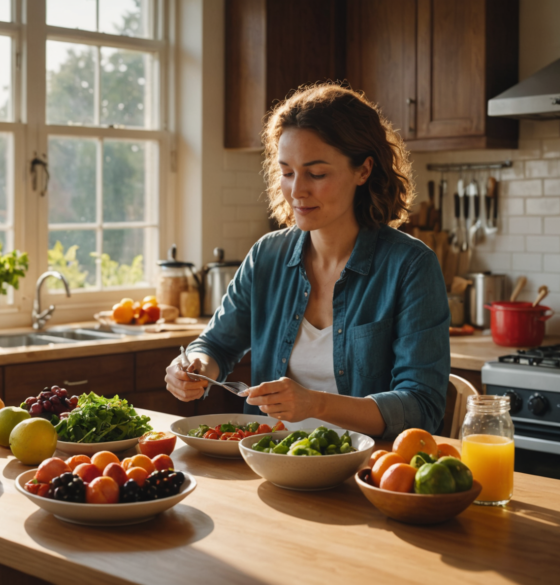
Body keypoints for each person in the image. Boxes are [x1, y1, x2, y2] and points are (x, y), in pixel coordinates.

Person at [165, 84, 450, 439]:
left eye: (316, 174)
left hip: (367, 476)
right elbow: (216, 346)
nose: (297, 190)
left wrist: (316, 404)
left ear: (363, 171)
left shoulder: (410, 267)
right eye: (287, 172)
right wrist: (195, 367)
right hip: (270, 462)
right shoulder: (267, 256)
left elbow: (422, 406)